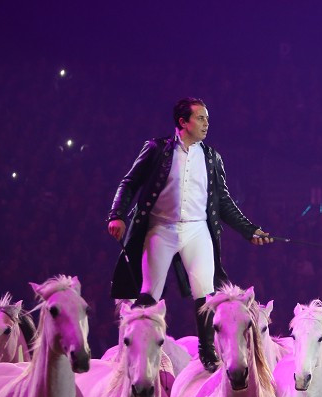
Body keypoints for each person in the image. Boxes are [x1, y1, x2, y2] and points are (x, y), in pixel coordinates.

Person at [107, 97, 272, 372]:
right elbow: (129, 182)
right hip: (161, 228)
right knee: (149, 294)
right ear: (183, 122)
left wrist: (249, 230)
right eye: (201, 118)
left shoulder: (211, 157)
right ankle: (136, 350)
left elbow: (224, 203)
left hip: (197, 229)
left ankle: (207, 350)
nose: (207, 123)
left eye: (207, 118)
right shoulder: (157, 149)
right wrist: (116, 215)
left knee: (205, 293)